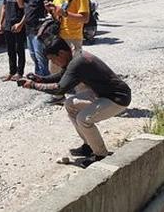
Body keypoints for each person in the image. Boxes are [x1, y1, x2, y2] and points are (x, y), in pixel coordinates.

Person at [21, 38, 131, 168]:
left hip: (118, 98)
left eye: (53, 59)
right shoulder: (75, 57)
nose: (53, 62)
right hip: (102, 94)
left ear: (61, 53)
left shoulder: (78, 62)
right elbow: (63, 76)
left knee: (84, 119)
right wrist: (41, 79)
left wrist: (34, 85)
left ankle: (101, 155)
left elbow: (60, 88)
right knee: (70, 104)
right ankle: (89, 146)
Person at [15, 0, 49, 76]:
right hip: (29, 29)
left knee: (40, 56)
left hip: (39, 29)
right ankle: (38, 76)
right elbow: (21, 5)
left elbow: (49, 7)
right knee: (33, 55)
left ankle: (44, 78)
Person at [0, 0, 26, 82]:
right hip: (8, 25)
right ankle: (11, 72)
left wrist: (21, 24)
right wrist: (0, 23)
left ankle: (20, 72)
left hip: (18, 24)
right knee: (10, 50)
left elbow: (24, 8)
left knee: (19, 49)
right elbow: (4, 8)